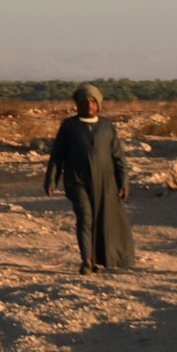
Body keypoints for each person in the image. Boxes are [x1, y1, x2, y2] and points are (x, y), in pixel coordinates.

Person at [43, 83, 134, 272]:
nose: (89, 106)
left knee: (102, 220)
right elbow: (57, 156)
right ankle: (87, 260)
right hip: (77, 181)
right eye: (85, 102)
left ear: (98, 104)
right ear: (78, 105)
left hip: (105, 182)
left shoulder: (107, 126)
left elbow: (118, 156)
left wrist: (123, 181)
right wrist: (51, 180)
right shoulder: (69, 126)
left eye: (93, 102)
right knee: (85, 217)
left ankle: (100, 260)